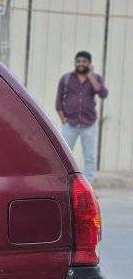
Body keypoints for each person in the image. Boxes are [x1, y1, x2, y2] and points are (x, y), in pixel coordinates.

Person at [55, 50, 108, 182]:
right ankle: (62, 181)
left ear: (89, 64)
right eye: (78, 61)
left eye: (84, 62)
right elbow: (58, 100)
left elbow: (103, 94)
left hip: (88, 123)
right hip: (70, 123)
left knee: (89, 156)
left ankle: (89, 185)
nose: (81, 64)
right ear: (75, 62)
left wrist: (91, 76)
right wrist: (63, 119)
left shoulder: (96, 78)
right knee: (63, 154)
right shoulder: (66, 78)